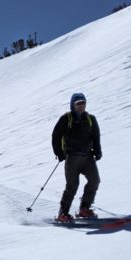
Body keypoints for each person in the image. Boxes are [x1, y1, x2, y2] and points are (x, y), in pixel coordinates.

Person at [51, 92, 102, 222]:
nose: (81, 105)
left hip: (87, 157)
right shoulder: (66, 119)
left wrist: (98, 151)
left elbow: (96, 136)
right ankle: (63, 213)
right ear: (73, 105)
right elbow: (56, 136)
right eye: (78, 103)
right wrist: (59, 152)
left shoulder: (91, 119)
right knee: (72, 186)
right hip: (72, 157)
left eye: (83, 103)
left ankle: (84, 209)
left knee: (94, 181)